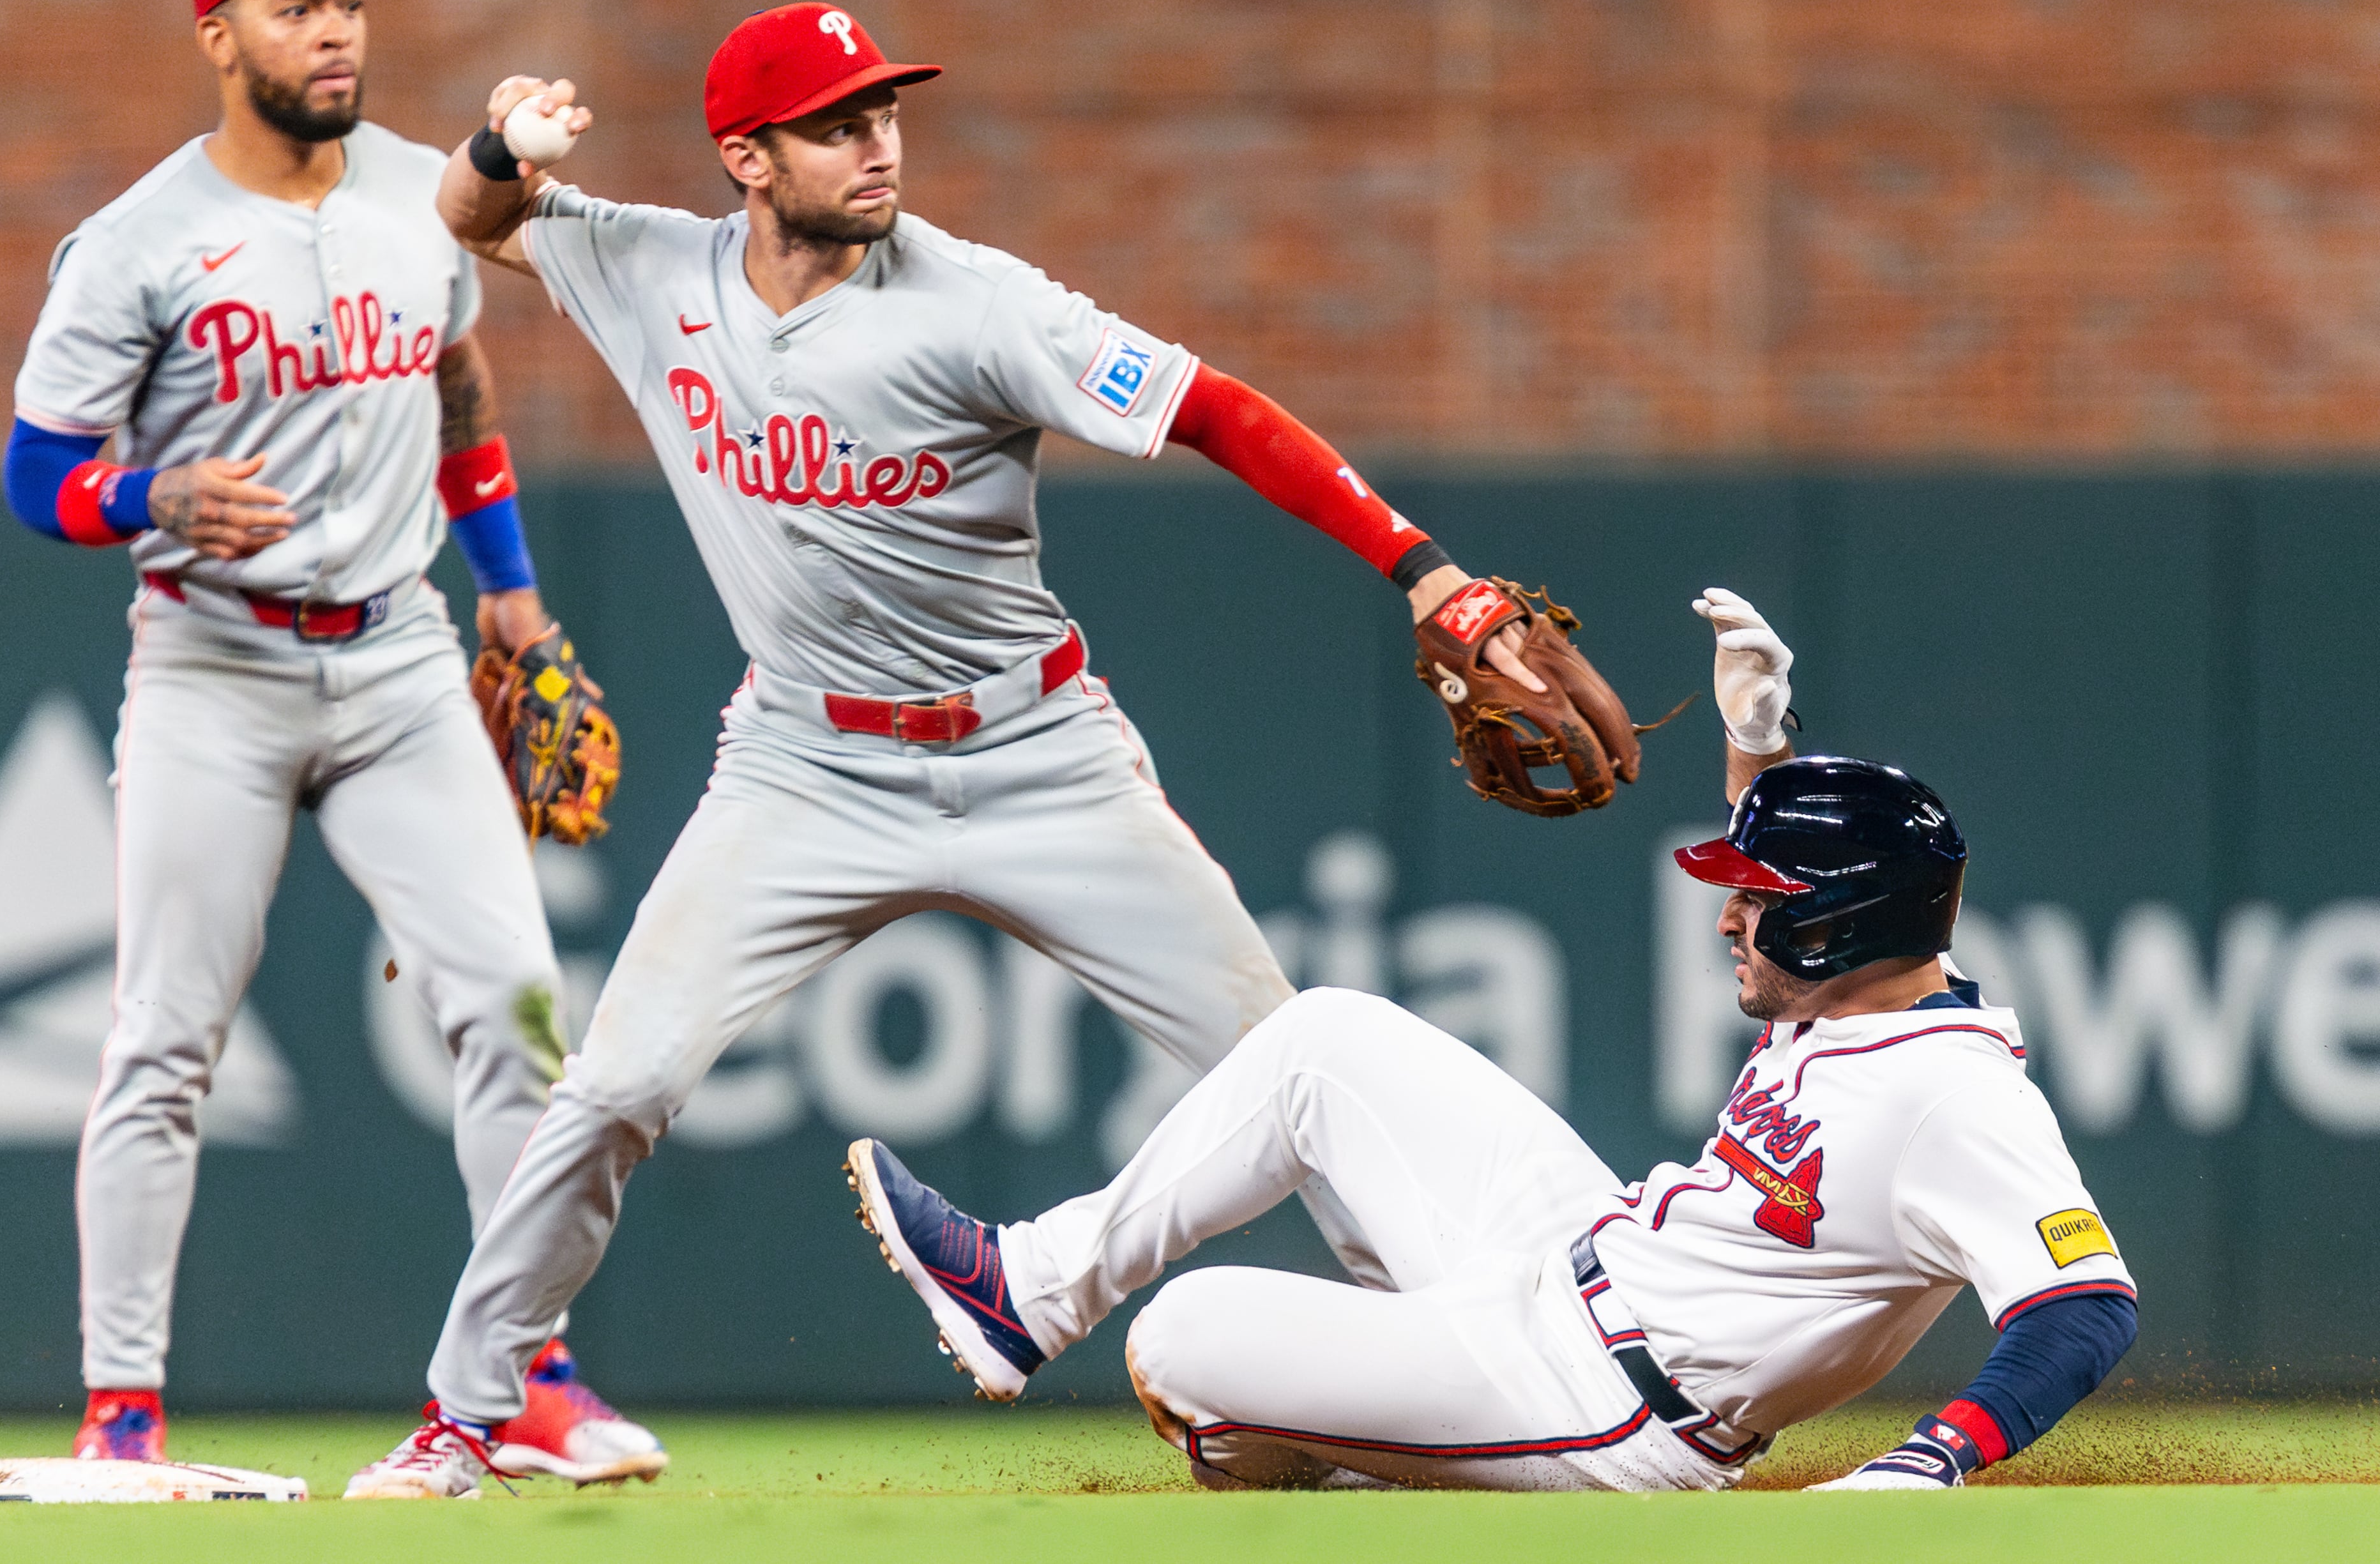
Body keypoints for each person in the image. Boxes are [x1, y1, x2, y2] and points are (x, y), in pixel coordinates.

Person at [344, 0, 1556, 1496]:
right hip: (802, 767)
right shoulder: (649, 266)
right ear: (748, 155)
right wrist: (492, 148)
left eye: (886, 111)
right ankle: (467, 1415)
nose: (878, 142)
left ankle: (1449, 1384)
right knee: (611, 1087)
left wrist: (1420, 566)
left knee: (1284, 1067)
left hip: (1037, 752)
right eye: (838, 122)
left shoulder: (982, 303)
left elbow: (1215, 411)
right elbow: (472, 218)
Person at [845, 588, 2139, 1492]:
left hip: (1605, 1413)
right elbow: (1816, 876)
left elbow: (2082, 1308)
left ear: (1845, 921)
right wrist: (1757, 747)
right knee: (1328, 1037)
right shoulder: (1866, 983)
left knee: (1186, 1342)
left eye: (1761, 899)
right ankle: (1027, 1289)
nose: (1731, 917)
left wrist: (1937, 1452)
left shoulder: (1955, 1099)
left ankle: (1389, 1439)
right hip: (1565, 1255)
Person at [6, 0, 659, 1485]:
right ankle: (122, 1417)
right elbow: (40, 473)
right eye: (296, 1)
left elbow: (459, 390)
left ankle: (522, 1384)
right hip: (211, 670)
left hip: (403, 663)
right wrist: (142, 496)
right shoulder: (135, 245)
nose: (337, 25)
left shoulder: (417, 205)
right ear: (218, 34)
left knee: (517, 1011)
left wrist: (513, 599)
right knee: (165, 1039)